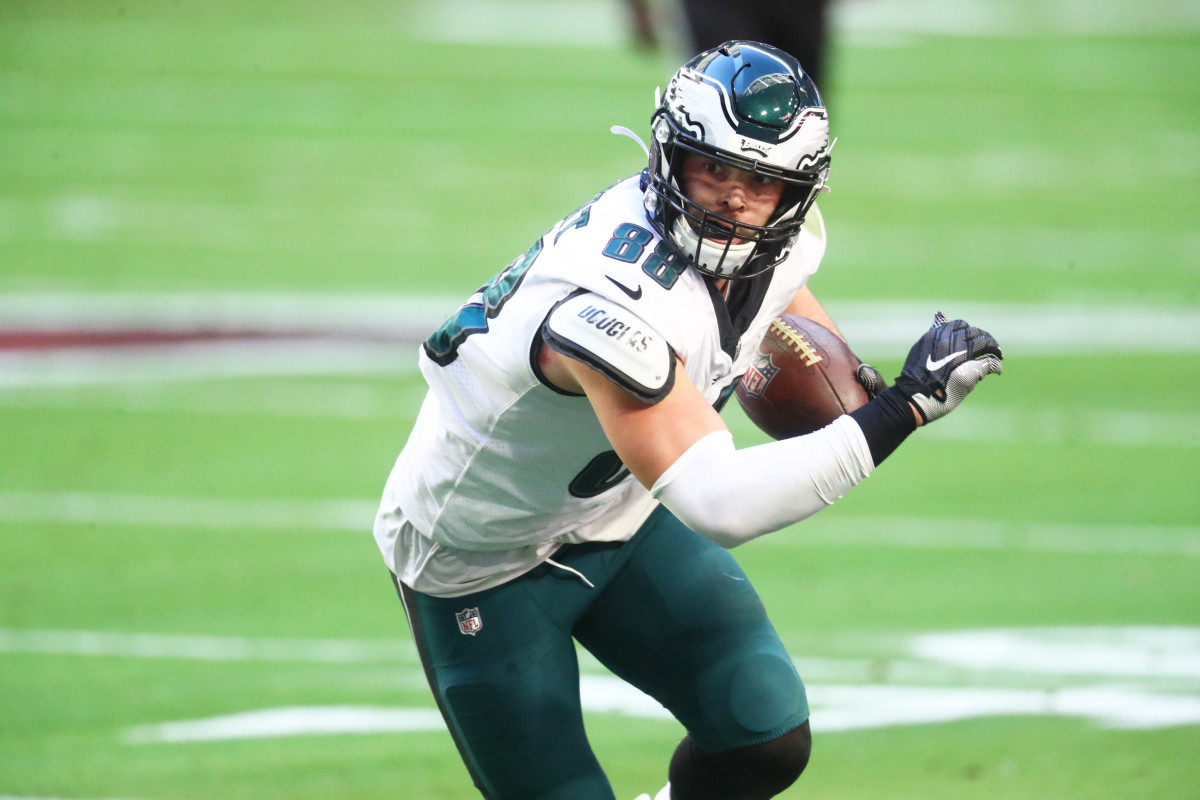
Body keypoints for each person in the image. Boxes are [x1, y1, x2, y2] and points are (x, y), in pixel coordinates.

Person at [374, 41, 1002, 800]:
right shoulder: (608, 307)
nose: (735, 199)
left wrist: (850, 386)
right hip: (483, 555)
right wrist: (903, 408)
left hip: (618, 512)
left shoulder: (785, 240)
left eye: (762, 182)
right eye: (714, 169)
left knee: (763, 731)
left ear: (796, 190)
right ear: (669, 158)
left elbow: (783, 301)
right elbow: (719, 504)